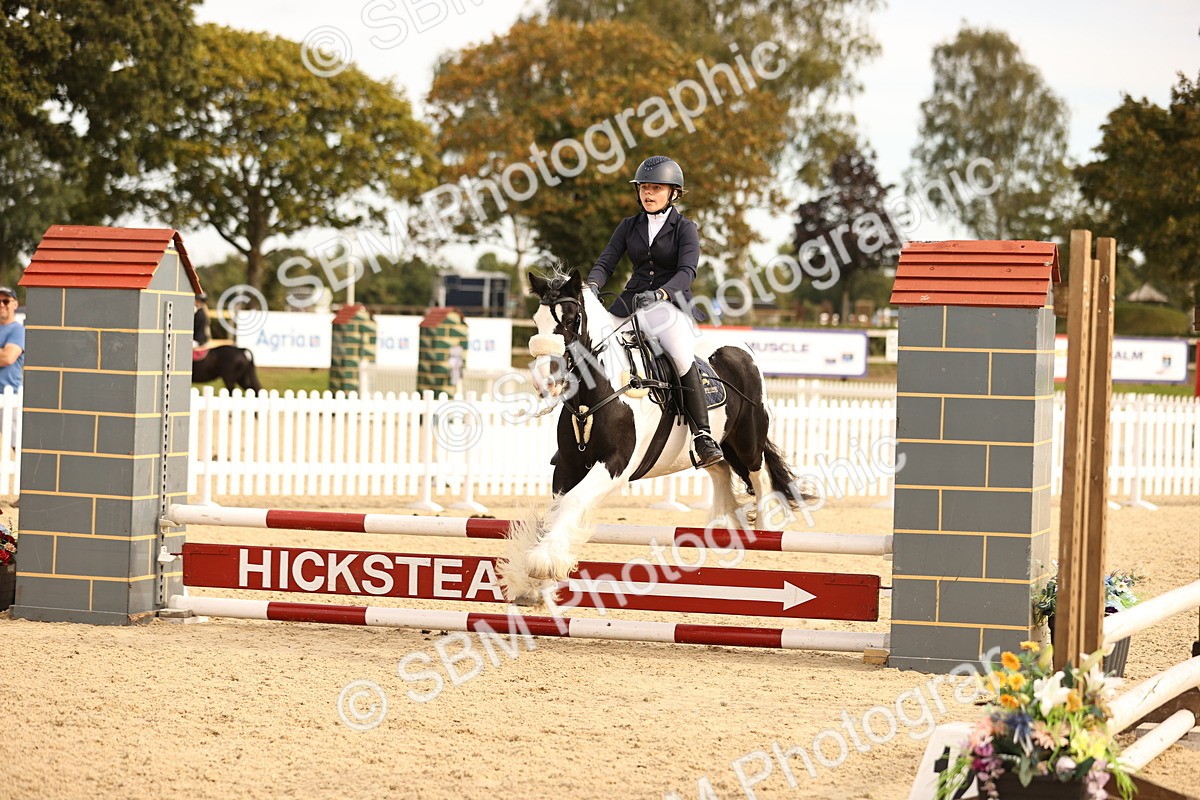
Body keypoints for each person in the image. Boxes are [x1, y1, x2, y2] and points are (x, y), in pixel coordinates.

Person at [586, 155, 723, 467]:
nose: (648, 193)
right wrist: (592, 286)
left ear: (673, 193)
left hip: (670, 304)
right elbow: (607, 261)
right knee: (593, 345)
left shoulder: (685, 228)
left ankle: (702, 435)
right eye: (644, 188)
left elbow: (687, 271)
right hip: (630, 301)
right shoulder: (628, 226)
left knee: (679, 353)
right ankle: (581, 430)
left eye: (656, 188)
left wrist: (661, 292)